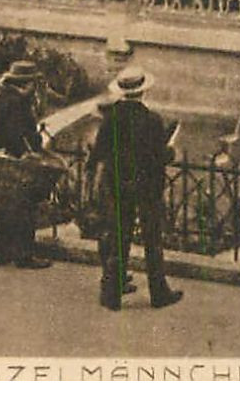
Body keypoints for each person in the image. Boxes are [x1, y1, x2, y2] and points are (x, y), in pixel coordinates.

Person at [89, 68, 183, 310]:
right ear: (142, 91)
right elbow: (159, 156)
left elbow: (99, 150)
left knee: (119, 235)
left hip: (118, 182)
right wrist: (171, 151)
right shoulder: (152, 120)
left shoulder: (111, 117)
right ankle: (159, 293)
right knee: (152, 238)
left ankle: (111, 293)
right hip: (146, 186)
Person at [0, 61, 50, 269]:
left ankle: (0, 252)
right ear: (27, 83)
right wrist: (30, 151)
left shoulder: (2, 97)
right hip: (20, 159)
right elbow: (17, 133)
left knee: (4, 205)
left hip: (4, 157)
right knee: (25, 207)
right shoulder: (18, 102)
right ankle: (24, 255)